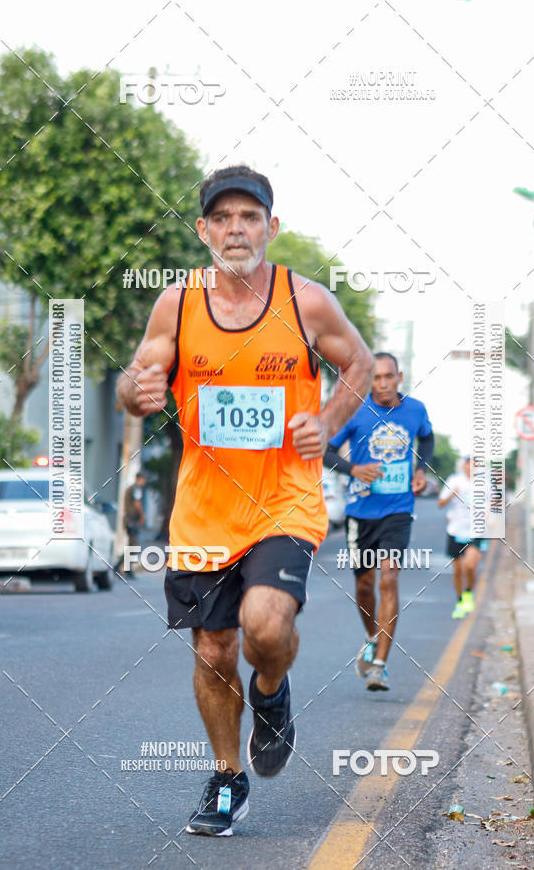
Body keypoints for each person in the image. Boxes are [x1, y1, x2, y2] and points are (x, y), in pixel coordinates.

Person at [117, 164, 374, 837]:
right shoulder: (177, 303)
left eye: (250, 217)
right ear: (203, 231)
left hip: (285, 501)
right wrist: (133, 393)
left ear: (272, 227)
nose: (237, 229)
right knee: (212, 649)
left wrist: (332, 421)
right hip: (203, 509)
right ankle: (229, 778)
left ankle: (272, 690)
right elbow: (139, 373)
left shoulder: (305, 301)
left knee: (264, 625)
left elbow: (360, 364)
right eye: (223, 218)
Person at [323, 353, 434, 692]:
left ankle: (380, 666)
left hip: (398, 509)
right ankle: (373, 636)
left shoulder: (415, 410)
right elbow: (326, 450)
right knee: (364, 586)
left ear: (399, 376)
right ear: (370, 380)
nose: (383, 384)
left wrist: (420, 469)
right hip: (361, 512)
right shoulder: (355, 411)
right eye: (377, 378)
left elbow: (427, 439)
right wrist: (353, 469)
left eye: (389, 377)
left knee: (389, 577)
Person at [437, 455, 488, 619]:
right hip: (455, 529)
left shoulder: (484, 483)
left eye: (474, 464)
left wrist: (488, 514)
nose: (470, 466)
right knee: (458, 570)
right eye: (468, 463)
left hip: (476, 530)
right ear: (463, 465)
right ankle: (460, 600)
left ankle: (468, 593)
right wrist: (452, 494)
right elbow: (440, 503)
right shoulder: (454, 480)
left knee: (470, 565)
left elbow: (493, 502)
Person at [123, 472, 147, 577]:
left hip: (128, 519)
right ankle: (126, 569)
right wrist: (142, 515)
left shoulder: (131, 488)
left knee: (131, 545)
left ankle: (126, 568)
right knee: (133, 545)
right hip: (132, 520)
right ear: (140, 479)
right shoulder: (136, 489)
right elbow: (137, 503)